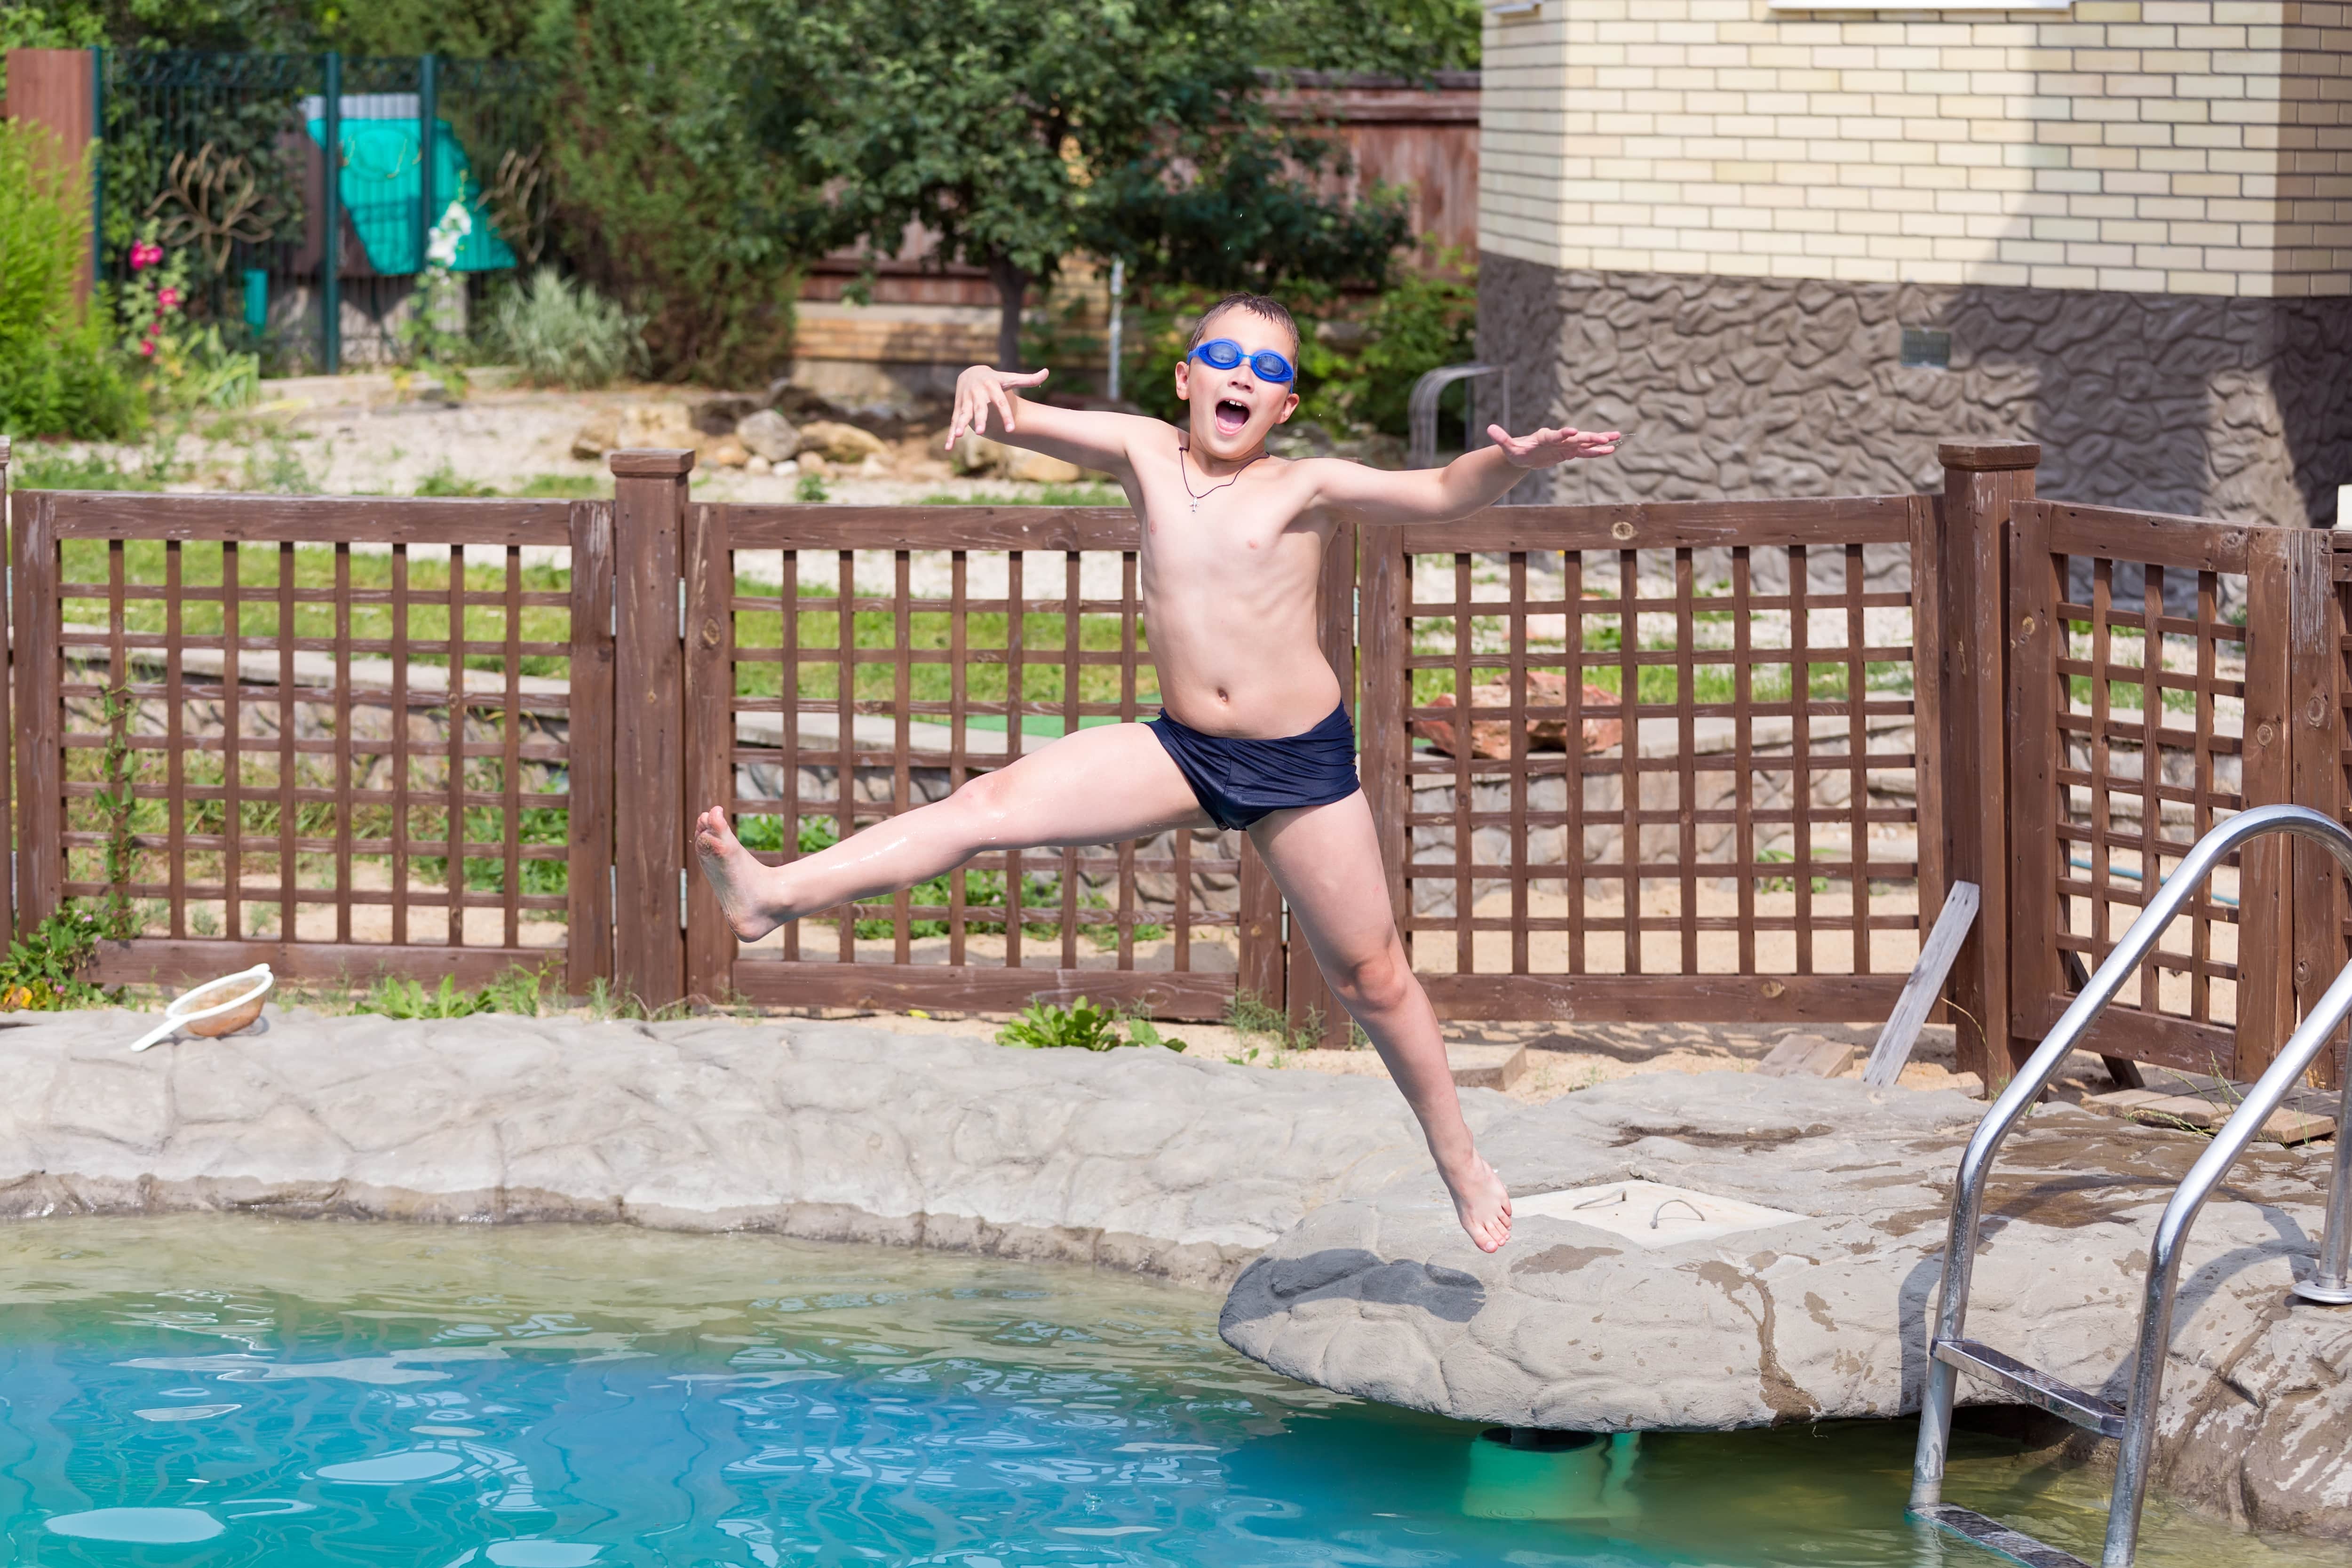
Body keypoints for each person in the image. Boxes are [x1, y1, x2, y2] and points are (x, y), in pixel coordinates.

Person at [693, 293, 1621, 1253]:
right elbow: (1021, 417)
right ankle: (772, 894)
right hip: (1182, 748)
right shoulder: (1145, 451)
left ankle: (1460, 1159)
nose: (1242, 378)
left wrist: (1510, 462)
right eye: (1224, 356)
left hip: (1296, 762)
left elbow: (1435, 493)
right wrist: (979, 380)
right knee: (985, 804)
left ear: (1286, 408)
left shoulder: (1304, 484)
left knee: (1374, 977)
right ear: (1185, 378)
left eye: (1268, 372)